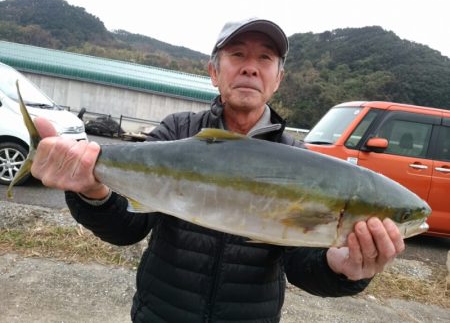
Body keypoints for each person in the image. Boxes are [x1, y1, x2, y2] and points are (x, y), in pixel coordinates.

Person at [30, 18, 405, 323]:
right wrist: (92, 193)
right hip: (160, 314)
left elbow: (301, 264)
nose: (250, 67)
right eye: (237, 54)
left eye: (265, 58)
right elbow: (129, 227)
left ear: (277, 79)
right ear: (214, 71)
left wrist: (342, 267)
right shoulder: (178, 132)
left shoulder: (299, 160)